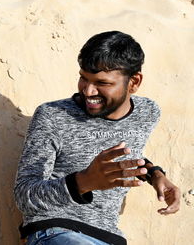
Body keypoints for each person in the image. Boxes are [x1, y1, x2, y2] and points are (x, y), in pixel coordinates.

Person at [14, 31, 180, 245]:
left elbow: (128, 152)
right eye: (84, 78)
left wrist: (154, 174)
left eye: (102, 83)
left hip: (109, 236)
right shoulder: (52, 116)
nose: (88, 90)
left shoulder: (147, 113)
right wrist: (83, 182)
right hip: (54, 231)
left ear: (134, 82)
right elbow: (24, 195)